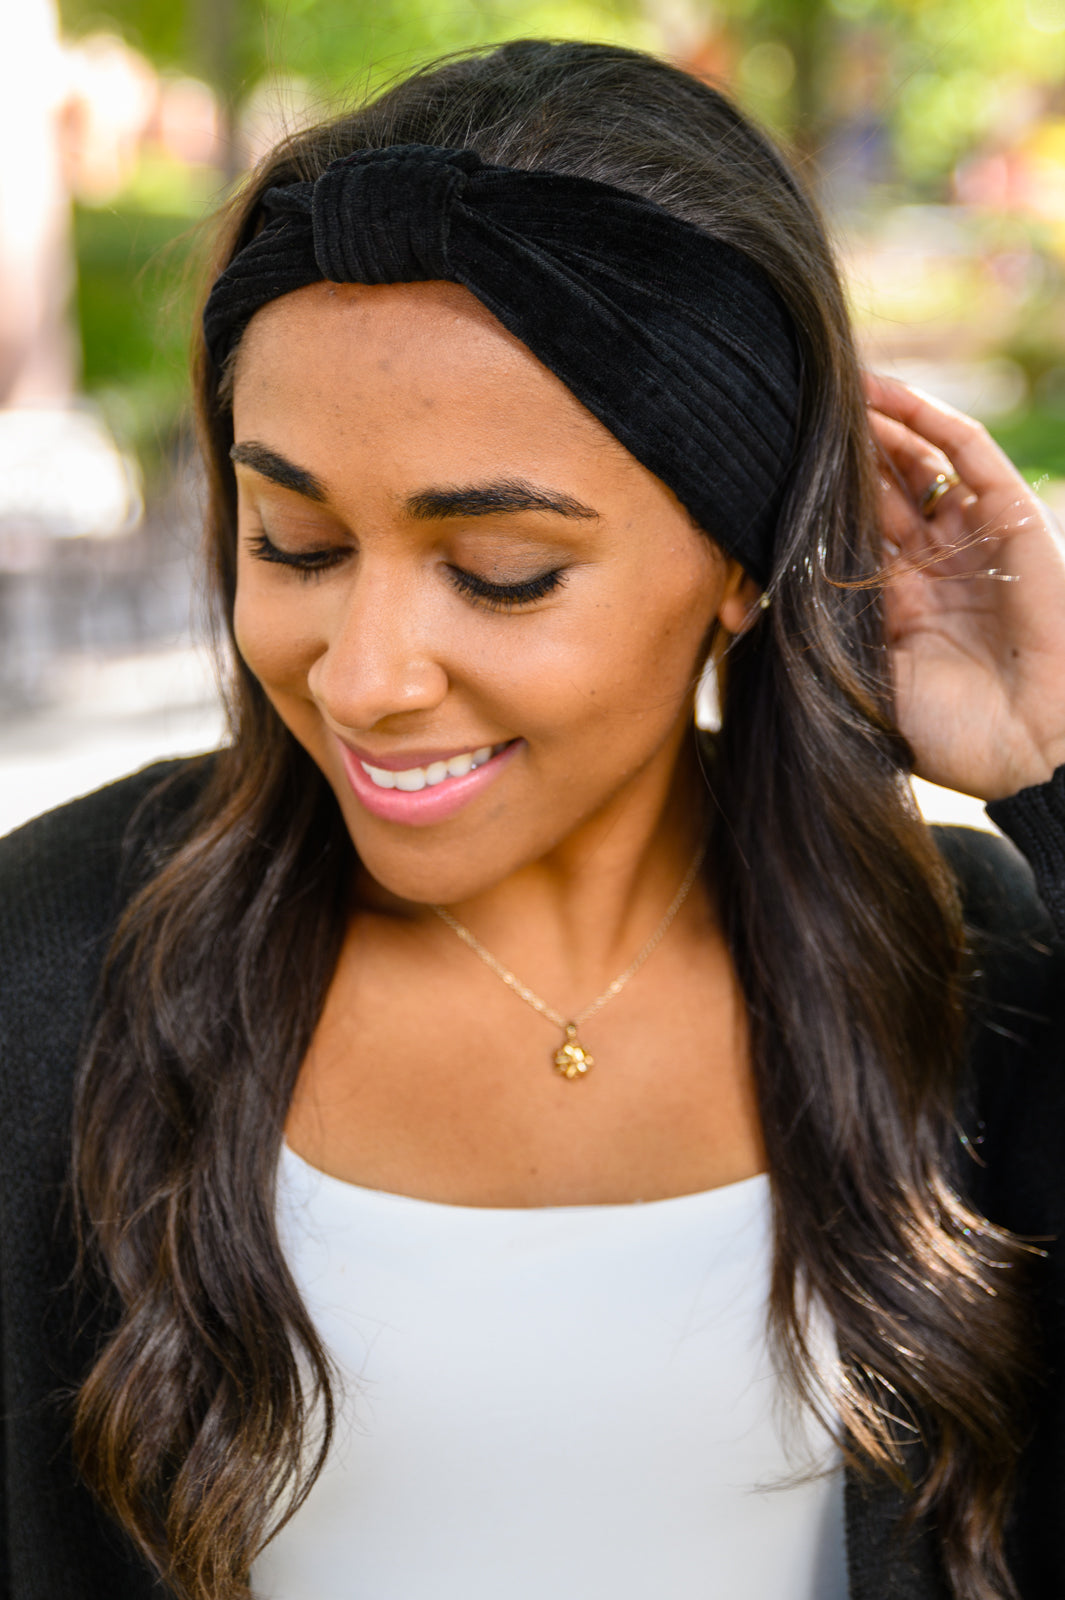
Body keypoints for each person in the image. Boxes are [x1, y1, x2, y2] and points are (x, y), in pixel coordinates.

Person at [1, 36, 1064, 1600]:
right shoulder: (48, 966)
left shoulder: (970, 972)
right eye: (293, 544)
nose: (363, 679)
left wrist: (1052, 772)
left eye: (502, 572)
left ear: (742, 556)